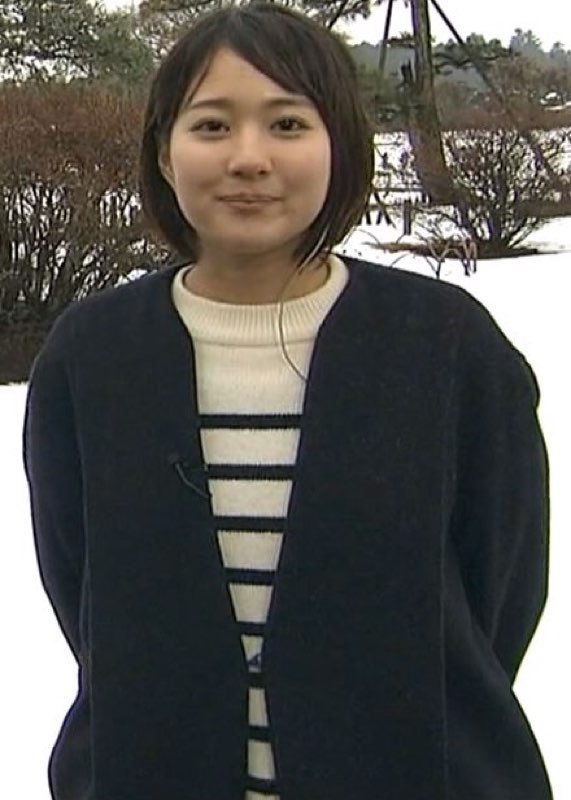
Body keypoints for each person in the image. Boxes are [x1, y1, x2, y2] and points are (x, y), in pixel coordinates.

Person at [22, 3, 552, 799]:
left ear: (340, 144)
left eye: (287, 124)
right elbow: (82, 585)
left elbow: (499, 587)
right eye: (210, 126)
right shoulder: (91, 354)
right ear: (164, 152)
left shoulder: (446, 344)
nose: (248, 157)